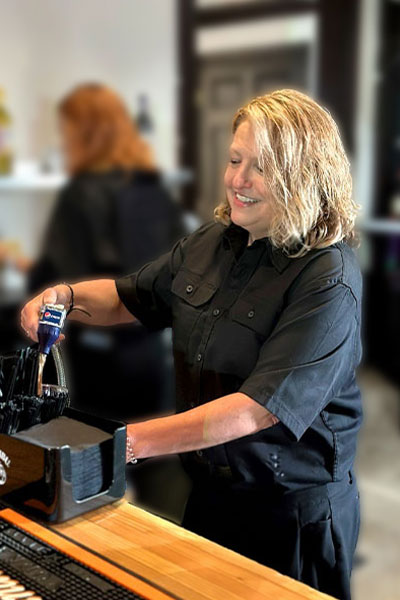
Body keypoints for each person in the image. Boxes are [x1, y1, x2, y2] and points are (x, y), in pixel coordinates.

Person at [21, 89, 362, 600]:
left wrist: (127, 445)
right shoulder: (212, 241)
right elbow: (127, 296)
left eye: (261, 168)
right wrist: (64, 296)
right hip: (211, 494)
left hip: (290, 513)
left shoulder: (328, 279)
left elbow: (256, 411)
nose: (237, 180)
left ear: (303, 173)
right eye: (234, 159)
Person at [29, 83, 183, 419]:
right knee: (141, 460)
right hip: (152, 361)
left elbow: (52, 283)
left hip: (99, 368)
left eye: (67, 131)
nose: (64, 141)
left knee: (93, 464)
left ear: (85, 134)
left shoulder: (81, 195)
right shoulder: (153, 189)